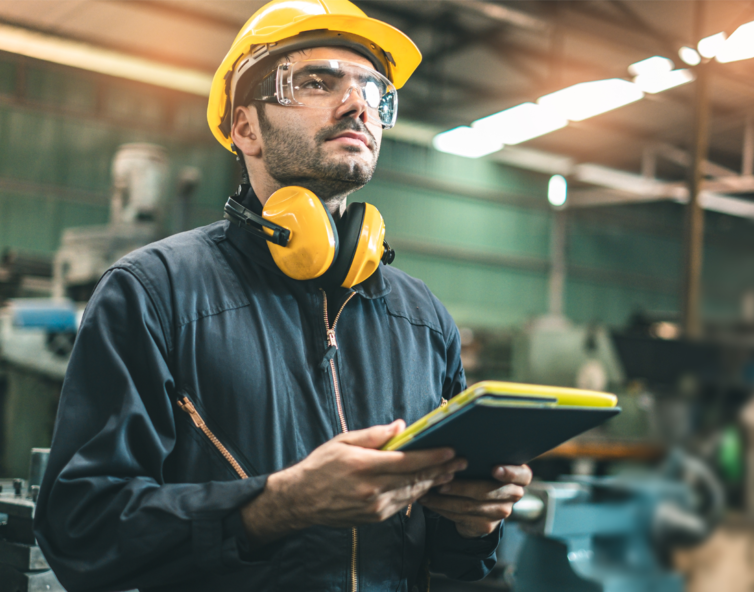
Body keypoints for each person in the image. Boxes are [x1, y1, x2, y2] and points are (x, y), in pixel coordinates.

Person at [34, 1, 532, 591]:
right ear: (246, 128)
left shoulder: (421, 318)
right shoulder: (153, 293)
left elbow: (449, 563)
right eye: (318, 82)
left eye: (374, 92)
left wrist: (475, 524)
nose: (357, 105)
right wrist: (278, 505)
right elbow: (80, 531)